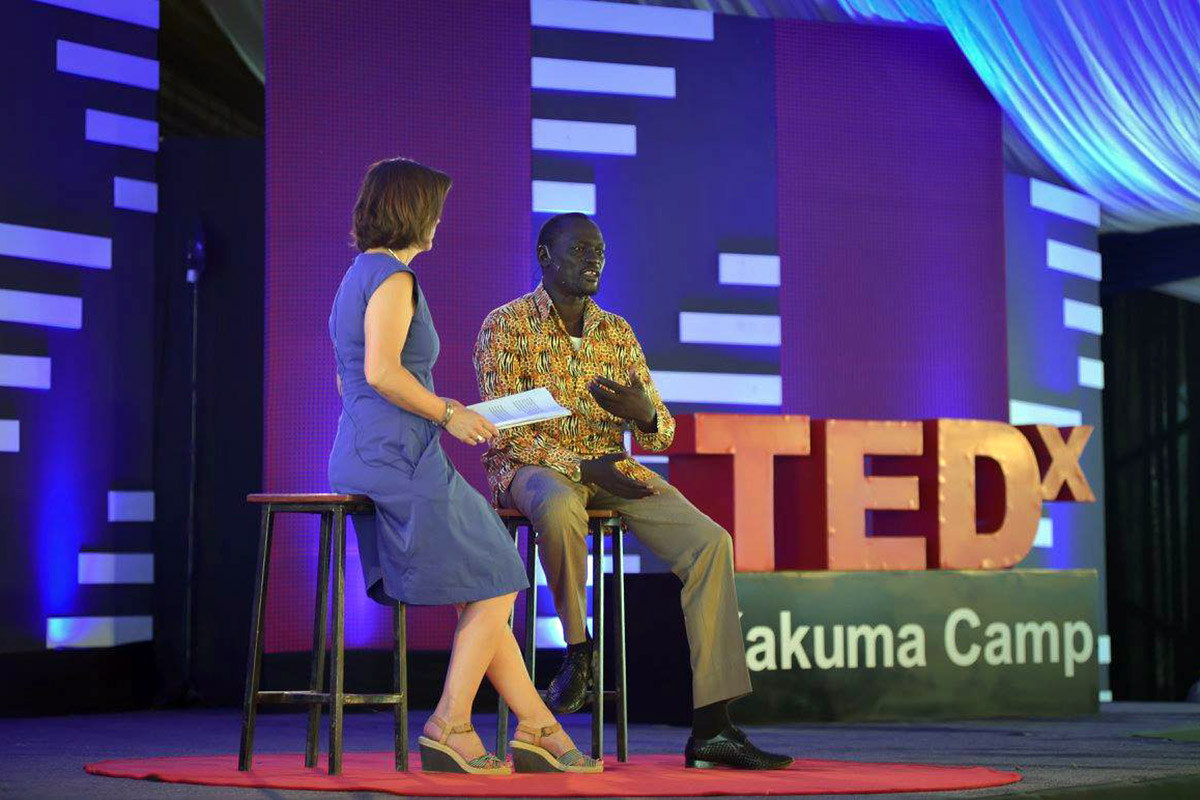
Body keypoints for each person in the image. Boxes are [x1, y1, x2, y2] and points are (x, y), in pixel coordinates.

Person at [473, 212, 794, 770]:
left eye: (599, 251)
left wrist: (644, 413)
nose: (593, 259)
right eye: (579, 250)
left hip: (613, 468)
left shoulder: (616, 331)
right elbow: (506, 428)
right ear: (545, 257)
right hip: (534, 466)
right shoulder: (505, 325)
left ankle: (713, 727)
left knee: (711, 542)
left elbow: (662, 424)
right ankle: (578, 653)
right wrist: (582, 465)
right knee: (558, 501)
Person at [328, 160, 600, 775]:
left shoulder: (357, 275)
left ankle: (538, 726)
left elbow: (353, 381)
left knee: (486, 581)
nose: (440, 221)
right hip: (400, 458)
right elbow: (380, 372)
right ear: (412, 212)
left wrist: (433, 416)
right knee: (501, 574)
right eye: (435, 208)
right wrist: (450, 412)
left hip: (376, 449)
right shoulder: (394, 279)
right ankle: (450, 721)